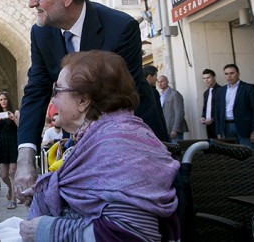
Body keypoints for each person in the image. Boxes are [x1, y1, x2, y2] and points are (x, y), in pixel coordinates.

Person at [16, 0, 168, 206]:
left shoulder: (120, 28)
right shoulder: (41, 32)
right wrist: (25, 155)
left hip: (130, 142)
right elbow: (36, 91)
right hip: (81, 141)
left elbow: (117, 101)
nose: (32, 3)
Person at [19, 50, 179, 241]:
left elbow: (131, 232)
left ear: (83, 101)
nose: (52, 100)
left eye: (57, 90)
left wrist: (47, 229)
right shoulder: (106, 135)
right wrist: (50, 192)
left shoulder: (117, 145)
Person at [215, 64, 254, 148]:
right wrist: (219, 132)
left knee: (248, 155)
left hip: (245, 128)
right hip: (226, 128)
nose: (229, 76)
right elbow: (218, 112)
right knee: (232, 157)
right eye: (226, 74)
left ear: (238, 74)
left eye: (232, 73)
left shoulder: (248, 88)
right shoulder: (221, 90)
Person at [0, 91, 20, 209]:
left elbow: (21, 127)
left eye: (5, 99)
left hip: (13, 143)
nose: (3, 101)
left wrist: (13, 118)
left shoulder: (16, 112)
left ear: (9, 99)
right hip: (3, 144)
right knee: (3, 175)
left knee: (12, 172)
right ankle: (10, 187)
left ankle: (13, 199)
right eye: (1, 99)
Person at [157, 75, 189, 142]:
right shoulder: (160, 96)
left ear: (167, 81)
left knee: (176, 150)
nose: (160, 83)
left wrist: (175, 129)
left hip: (174, 131)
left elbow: (179, 113)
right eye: (158, 82)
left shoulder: (175, 94)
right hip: (166, 130)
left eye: (162, 81)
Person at [201, 68, 221, 140]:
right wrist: (203, 117)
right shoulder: (206, 93)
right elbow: (205, 108)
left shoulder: (221, 90)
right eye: (204, 78)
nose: (206, 80)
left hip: (219, 124)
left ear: (214, 77)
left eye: (208, 77)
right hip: (208, 125)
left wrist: (213, 119)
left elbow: (222, 108)